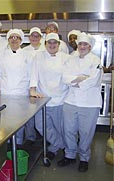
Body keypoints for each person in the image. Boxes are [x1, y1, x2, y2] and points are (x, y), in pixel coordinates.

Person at [58, 32, 103, 172]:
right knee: (68, 130)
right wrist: (82, 77)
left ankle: (84, 157)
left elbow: (94, 80)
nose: (82, 46)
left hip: (90, 103)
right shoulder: (71, 59)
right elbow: (65, 77)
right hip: (71, 101)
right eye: (80, 44)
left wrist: (76, 81)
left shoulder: (95, 61)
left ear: (90, 47)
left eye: (85, 44)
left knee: (85, 132)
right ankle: (70, 155)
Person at [30, 33, 70, 161]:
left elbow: (70, 77)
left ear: (59, 44)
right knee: (40, 126)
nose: (52, 45)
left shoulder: (66, 58)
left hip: (60, 97)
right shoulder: (39, 56)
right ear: (45, 44)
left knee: (59, 127)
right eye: (49, 42)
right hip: (42, 98)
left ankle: (54, 147)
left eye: (55, 43)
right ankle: (61, 145)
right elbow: (34, 74)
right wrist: (32, 89)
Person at [0, 29, 32, 144]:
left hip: (21, 94)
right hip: (5, 93)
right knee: (5, 121)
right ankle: (7, 144)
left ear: (21, 40)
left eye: (17, 37)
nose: (14, 40)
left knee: (19, 121)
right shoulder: (1, 55)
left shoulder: (27, 55)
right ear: (8, 40)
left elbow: (31, 75)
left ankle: (18, 143)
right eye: (12, 37)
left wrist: (30, 92)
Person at [23, 26, 45, 143]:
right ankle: (30, 137)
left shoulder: (45, 50)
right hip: (28, 86)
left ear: (41, 37)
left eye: (37, 36)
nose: (35, 38)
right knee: (29, 113)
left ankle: (44, 137)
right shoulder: (25, 50)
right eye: (32, 35)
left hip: (42, 86)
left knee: (41, 116)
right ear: (29, 37)